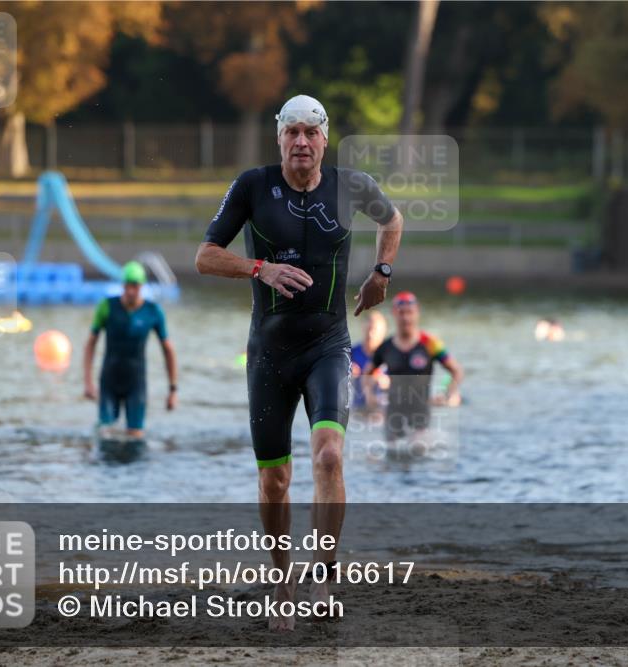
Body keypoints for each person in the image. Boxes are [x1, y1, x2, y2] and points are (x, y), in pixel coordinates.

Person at [194, 94, 404, 630]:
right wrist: (257, 268)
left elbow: (393, 219)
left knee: (329, 457)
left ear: (325, 138)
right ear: (279, 138)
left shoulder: (350, 185)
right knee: (275, 482)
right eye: (293, 132)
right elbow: (204, 256)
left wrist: (381, 273)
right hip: (268, 354)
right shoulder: (252, 187)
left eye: (312, 132)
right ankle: (282, 577)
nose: (302, 142)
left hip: (329, 345)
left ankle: (325, 576)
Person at [84, 261, 178, 438]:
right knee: (106, 435)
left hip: (136, 383)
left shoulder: (153, 311)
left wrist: (172, 390)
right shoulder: (107, 306)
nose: (130, 291)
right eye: (127, 285)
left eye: (134, 286)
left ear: (141, 286)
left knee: (135, 437)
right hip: (109, 381)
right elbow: (90, 343)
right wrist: (88, 382)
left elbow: (168, 350)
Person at [364, 292, 463, 445]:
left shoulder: (431, 344)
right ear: (394, 314)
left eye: (409, 312)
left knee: (418, 453)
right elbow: (367, 373)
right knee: (392, 458)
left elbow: (456, 371)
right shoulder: (385, 347)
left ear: (417, 312)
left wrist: (447, 394)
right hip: (393, 414)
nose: (405, 318)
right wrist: (369, 395)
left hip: (421, 414)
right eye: (401, 313)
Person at [350, 311, 389, 410]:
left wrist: (387, 381)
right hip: (358, 409)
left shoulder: (390, 354)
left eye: (374, 330)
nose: (370, 335)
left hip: (382, 410)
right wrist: (346, 370)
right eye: (368, 329)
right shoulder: (352, 353)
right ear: (363, 328)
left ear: (383, 332)